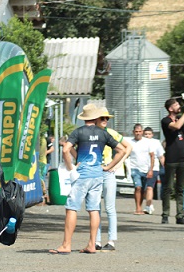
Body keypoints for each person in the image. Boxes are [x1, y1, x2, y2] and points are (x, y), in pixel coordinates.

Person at [50, 104, 125, 255]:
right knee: (94, 209)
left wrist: (71, 168)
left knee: (72, 207)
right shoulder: (103, 133)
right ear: (96, 117)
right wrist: (109, 166)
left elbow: (65, 149)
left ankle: (66, 244)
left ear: (84, 118)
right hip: (97, 174)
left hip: (82, 175)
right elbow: (122, 150)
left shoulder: (79, 132)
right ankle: (92, 244)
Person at [95, 116, 132, 252]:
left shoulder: (112, 133)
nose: (105, 120)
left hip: (108, 171)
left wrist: (117, 164)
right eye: (102, 118)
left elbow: (127, 147)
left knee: (110, 208)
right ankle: (96, 240)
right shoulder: (90, 132)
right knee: (95, 208)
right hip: (94, 172)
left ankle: (111, 241)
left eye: (106, 118)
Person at [160, 97, 184, 225]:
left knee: (181, 188)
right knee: (168, 188)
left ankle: (180, 215)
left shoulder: (183, 119)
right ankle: (165, 215)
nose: (179, 106)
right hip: (171, 158)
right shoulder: (165, 120)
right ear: (171, 108)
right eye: (176, 104)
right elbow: (176, 126)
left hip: (183, 158)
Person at [128, 124, 155, 215]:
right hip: (134, 168)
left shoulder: (148, 142)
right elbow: (125, 155)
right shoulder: (130, 142)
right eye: (136, 132)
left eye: (139, 132)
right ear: (133, 132)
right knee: (138, 187)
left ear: (142, 132)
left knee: (143, 189)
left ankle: (140, 205)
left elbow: (152, 156)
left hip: (145, 168)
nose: (138, 133)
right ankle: (138, 208)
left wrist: (151, 169)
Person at [143, 127, 163, 214]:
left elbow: (161, 156)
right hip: (142, 167)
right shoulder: (141, 142)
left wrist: (165, 166)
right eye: (146, 134)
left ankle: (148, 206)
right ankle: (148, 203)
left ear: (152, 134)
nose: (147, 136)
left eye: (149, 134)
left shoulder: (156, 142)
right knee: (143, 188)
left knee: (149, 187)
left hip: (154, 168)